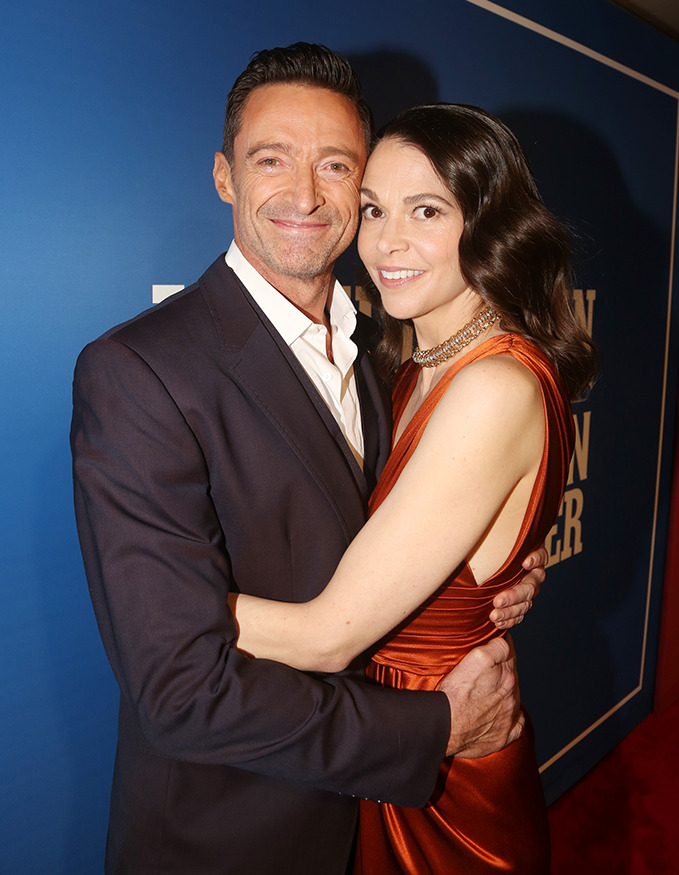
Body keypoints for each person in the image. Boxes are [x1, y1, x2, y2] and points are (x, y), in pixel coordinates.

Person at [70, 45, 546, 875]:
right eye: (271, 161)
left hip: (374, 826)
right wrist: (437, 729)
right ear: (225, 176)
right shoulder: (136, 373)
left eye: (335, 167)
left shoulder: (387, 358)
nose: (305, 195)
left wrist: (487, 568)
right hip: (231, 838)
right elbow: (180, 691)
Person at [232, 103, 597, 873]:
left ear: (490, 225)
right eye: (372, 209)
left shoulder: (491, 385)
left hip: (446, 772)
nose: (385, 241)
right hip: (393, 731)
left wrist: (160, 611)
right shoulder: (412, 367)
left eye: (426, 210)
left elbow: (329, 632)